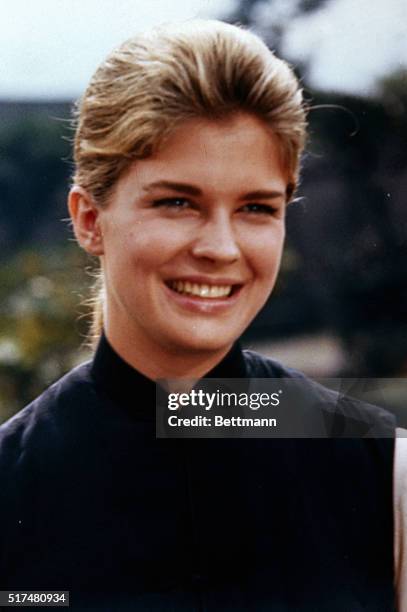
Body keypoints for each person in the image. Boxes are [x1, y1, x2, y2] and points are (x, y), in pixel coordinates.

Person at [0, 18, 406, 611]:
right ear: (89, 220)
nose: (221, 247)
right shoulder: (12, 487)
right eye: (177, 202)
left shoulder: (385, 476)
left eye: (256, 208)